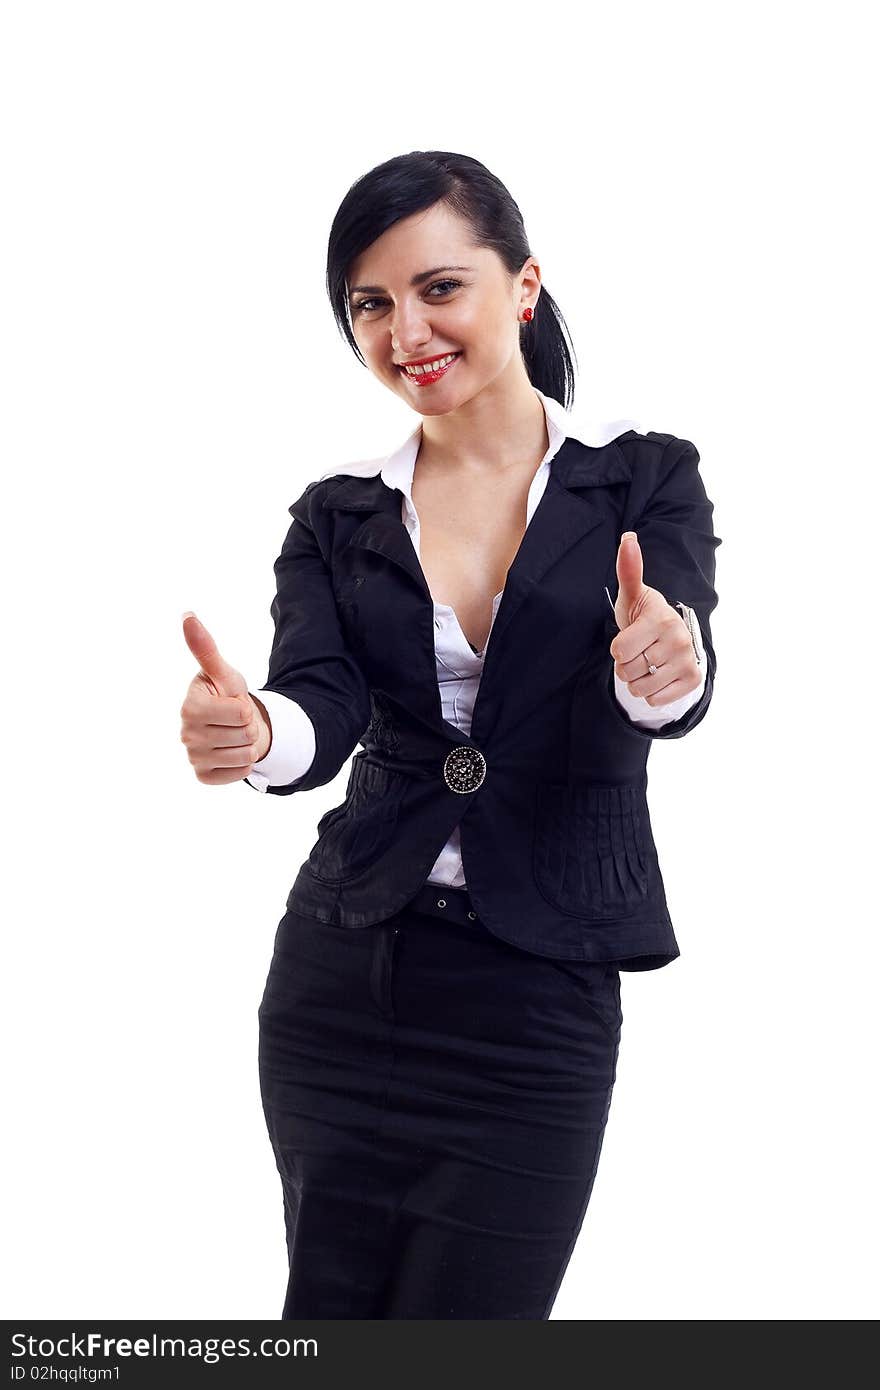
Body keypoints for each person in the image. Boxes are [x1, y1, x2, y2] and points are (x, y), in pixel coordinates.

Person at [179, 150, 720, 1319]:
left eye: (439, 287)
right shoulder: (337, 511)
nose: (403, 329)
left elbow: (675, 656)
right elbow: (315, 706)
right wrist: (253, 728)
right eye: (369, 304)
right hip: (344, 975)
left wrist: (662, 660)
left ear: (522, 287)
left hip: (540, 993)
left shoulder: (640, 476)